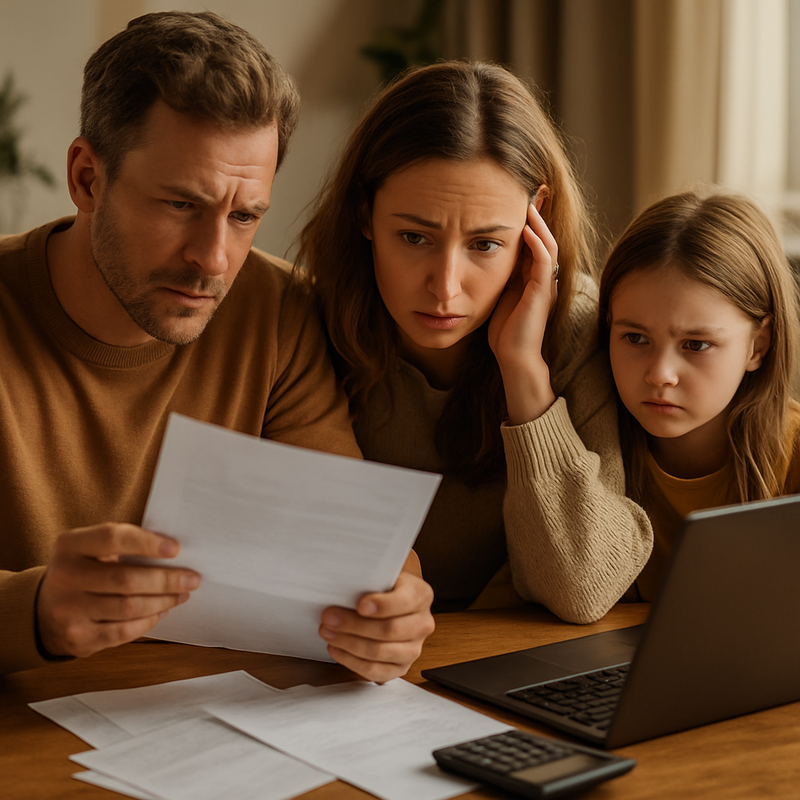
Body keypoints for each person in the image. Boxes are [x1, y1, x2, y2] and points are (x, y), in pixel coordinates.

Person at [0, 10, 433, 682]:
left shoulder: (279, 311)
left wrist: (391, 604)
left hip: (208, 725)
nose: (214, 260)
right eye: (180, 205)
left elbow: (345, 539)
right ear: (87, 178)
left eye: (244, 216)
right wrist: (33, 612)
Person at [295, 60, 653, 623]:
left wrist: (523, 371)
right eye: (414, 237)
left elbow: (582, 589)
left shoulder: (583, 330)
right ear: (365, 212)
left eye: (485, 244)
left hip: (500, 659)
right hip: (347, 651)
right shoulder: (308, 324)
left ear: (540, 219)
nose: (444, 286)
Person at [598, 188, 800, 600]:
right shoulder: (591, 438)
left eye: (695, 344)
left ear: (757, 346)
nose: (660, 375)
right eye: (635, 337)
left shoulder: (793, 457)